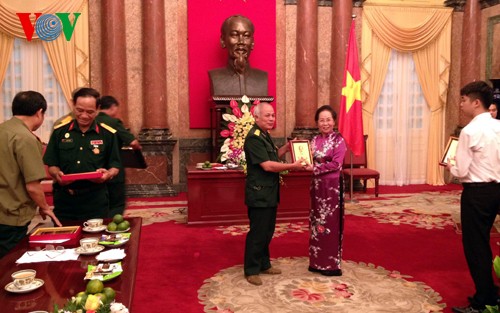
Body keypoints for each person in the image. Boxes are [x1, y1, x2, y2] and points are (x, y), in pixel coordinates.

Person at [445, 81, 500, 313]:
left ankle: (484, 300)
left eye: (464, 99)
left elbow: (462, 171)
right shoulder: (499, 126)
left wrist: (450, 164)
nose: (461, 104)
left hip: (477, 193)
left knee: (477, 246)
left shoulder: (469, 131)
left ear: (476, 103)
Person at [243, 102, 305, 286]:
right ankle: (251, 269)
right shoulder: (254, 138)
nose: (271, 119)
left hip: (268, 192)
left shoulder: (264, 135)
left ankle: (264, 264)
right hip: (259, 194)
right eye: (267, 116)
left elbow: (272, 156)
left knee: (267, 231)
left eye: (273, 115)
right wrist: (292, 166)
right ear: (257, 117)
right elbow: (267, 165)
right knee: (258, 232)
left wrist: (286, 148)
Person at [43, 88, 122, 221]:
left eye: (90, 112)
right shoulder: (60, 131)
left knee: (96, 239)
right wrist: (57, 174)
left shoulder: (107, 134)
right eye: (79, 110)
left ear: (98, 110)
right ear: (73, 105)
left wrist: (108, 174)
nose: (84, 116)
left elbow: (115, 165)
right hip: (65, 200)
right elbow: (51, 164)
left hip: (95, 200)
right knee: (65, 239)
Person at [0, 91, 62, 258]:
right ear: (39, 112)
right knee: (10, 263)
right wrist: (45, 207)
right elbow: (33, 186)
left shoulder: (3, 130)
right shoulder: (25, 138)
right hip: (12, 215)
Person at [305, 105, 347, 276]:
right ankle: (316, 262)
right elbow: (307, 158)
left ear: (334, 121)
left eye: (328, 119)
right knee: (316, 223)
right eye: (321, 120)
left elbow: (336, 164)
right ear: (317, 123)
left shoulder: (339, 140)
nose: (325, 123)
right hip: (316, 186)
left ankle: (330, 265)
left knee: (330, 223)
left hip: (332, 188)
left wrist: (314, 168)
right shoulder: (314, 140)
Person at [97, 95, 142, 217]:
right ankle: (112, 228)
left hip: (95, 169)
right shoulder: (113, 122)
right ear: (113, 107)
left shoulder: (91, 122)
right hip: (113, 167)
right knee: (116, 203)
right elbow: (133, 142)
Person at [209, 15, 268, 97]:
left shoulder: (262, 78)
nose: (241, 41)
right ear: (223, 40)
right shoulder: (215, 77)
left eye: (246, 36)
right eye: (234, 35)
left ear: (252, 43)